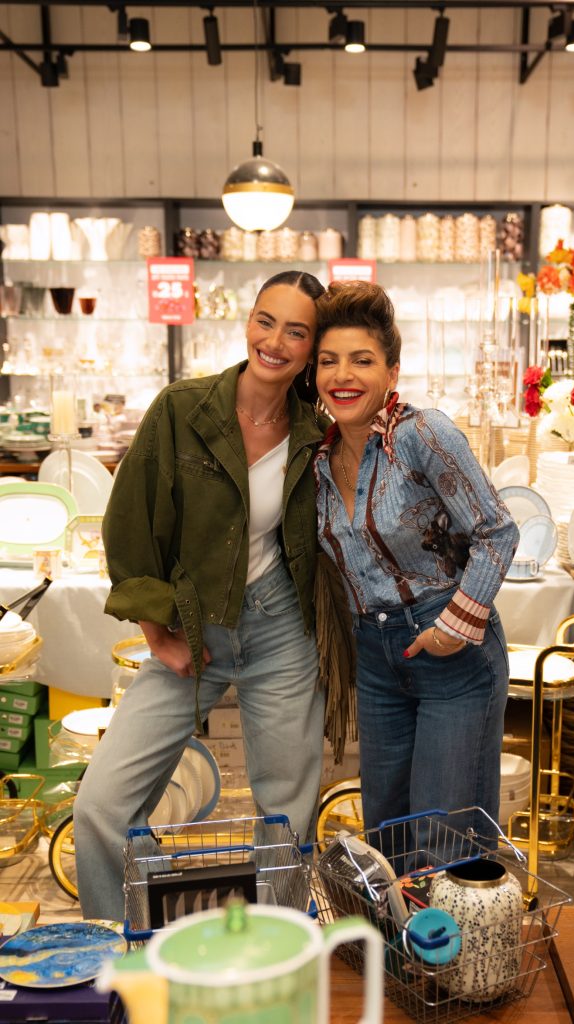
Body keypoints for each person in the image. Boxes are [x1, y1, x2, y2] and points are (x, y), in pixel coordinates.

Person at [74, 271, 327, 921]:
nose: (274, 341)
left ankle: (278, 945)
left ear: (311, 348)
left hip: (281, 629)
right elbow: (129, 524)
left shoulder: (315, 430)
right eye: (265, 321)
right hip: (192, 625)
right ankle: (120, 939)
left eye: (296, 331)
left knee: (286, 815)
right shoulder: (182, 409)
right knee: (101, 804)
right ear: (248, 320)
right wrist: (158, 635)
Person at [312, 281, 519, 845]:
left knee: (443, 841)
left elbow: (497, 531)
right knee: (387, 836)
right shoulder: (318, 459)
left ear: (392, 372)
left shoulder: (423, 434)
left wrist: (453, 626)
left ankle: (451, 910)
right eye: (328, 361)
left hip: (452, 653)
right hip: (376, 659)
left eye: (362, 360)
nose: (343, 375)